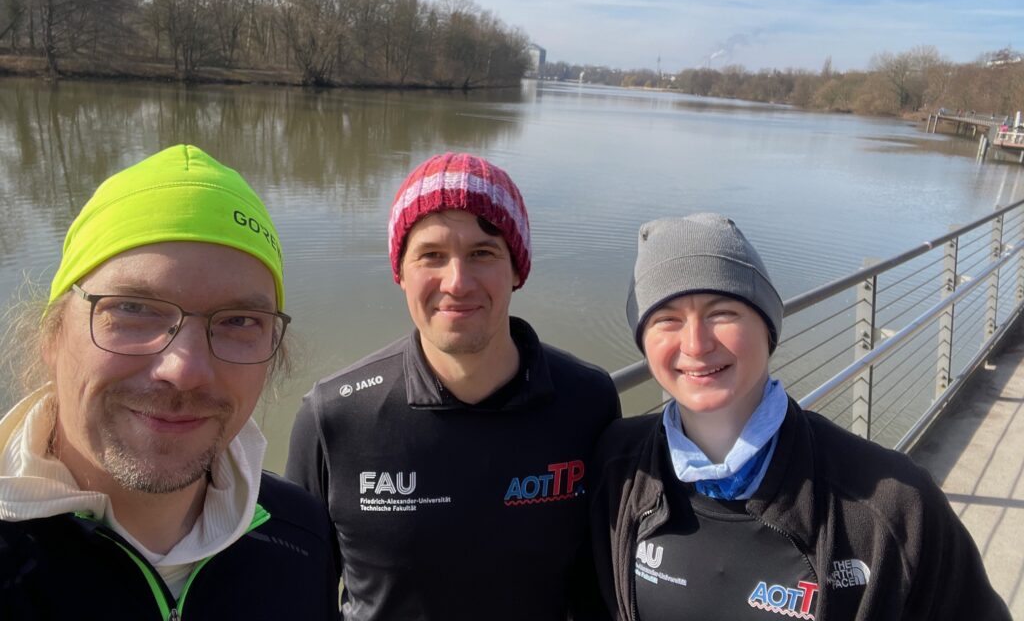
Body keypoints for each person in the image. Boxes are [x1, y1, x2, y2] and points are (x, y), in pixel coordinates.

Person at [590, 213, 1010, 620]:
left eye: (722, 313)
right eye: (667, 319)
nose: (696, 344)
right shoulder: (615, 469)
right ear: (643, 342)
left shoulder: (891, 503)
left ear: (768, 327)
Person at [0, 144, 340, 620]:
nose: (185, 371)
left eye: (239, 321)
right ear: (52, 335)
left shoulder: (301, 534)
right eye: (133, 309)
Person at [286, 151, 621, 621]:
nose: (457, 282)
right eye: (432, 256)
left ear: (518, 270)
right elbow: (298, 594)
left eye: (483, 254)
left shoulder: (589, 401)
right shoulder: (333, 416)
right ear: (400, 272)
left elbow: (600, 590)